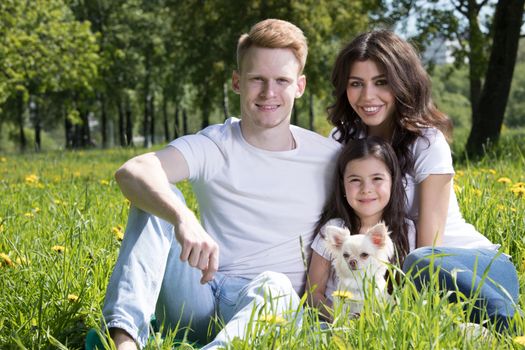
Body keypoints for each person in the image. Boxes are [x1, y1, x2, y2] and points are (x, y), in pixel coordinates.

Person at [101, 18, 340, 350]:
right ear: (237, 82)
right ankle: (125, 340)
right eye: (257, 79)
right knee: (157, 194)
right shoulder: (214, 144)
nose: (269, 93)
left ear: (299, 86)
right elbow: (133, 171)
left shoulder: (328, 156)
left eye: (281, 80)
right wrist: (183, 219)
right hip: (197, 294)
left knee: (275, 285)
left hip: (269, 308)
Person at [327, 29, 519, 329]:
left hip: (476, 270)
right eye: (356, 84)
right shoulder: (342, 141)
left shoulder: (427, 142)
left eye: (381, 82)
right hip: (401, 275)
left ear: (402, 84)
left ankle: (507, 328)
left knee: (420, 261)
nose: (367, 96)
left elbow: (430, 247)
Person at [306, 136, 415, 319]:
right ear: (343, 185)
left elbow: (408, 296)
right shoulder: (334, 229)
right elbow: (312, 294)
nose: (366, 189)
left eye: (377, 178)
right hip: (335, 322)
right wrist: (342, 317)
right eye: (355, 180)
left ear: (393, 180)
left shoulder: (406, 230)